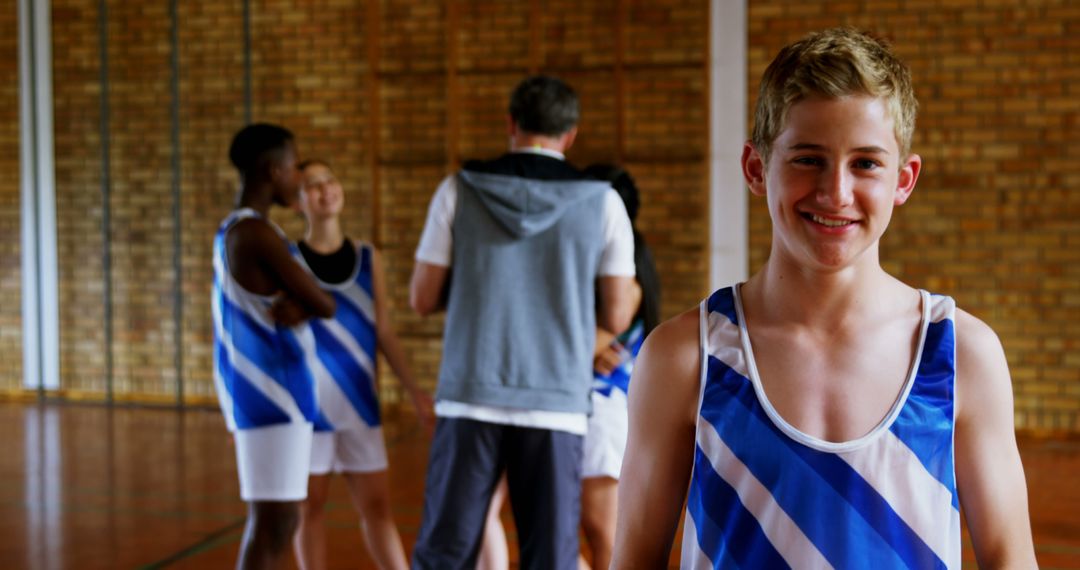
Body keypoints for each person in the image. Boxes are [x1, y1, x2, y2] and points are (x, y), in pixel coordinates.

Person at [611, 28, 1038, 569]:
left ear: (904, 179)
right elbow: (634, 559)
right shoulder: (685, 357)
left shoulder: (960, 355)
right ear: (755, 167)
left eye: (865, 163)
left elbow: (1010, 558)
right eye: (808, 159)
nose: (836, 192)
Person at [409, 75, 640, 569]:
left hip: (471, 393)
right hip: (555, 401)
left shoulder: (458, 189)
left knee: (444, 553)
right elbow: (619, 313)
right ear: (571, 135)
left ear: (511, 123)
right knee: (550, 558)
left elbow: (422, 297)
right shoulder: (604, 202)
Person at [475, 164, 662, 570]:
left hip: (596, 408)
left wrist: (577, 352)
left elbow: (574, 348)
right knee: (556, 534)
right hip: (566, 406)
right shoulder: (596, 255)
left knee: (602, 534)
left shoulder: (617, 267)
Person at [290, 159, 435, 570]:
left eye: (329, 180)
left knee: (378, 509)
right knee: (309, 510)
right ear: (299, 201)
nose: (324, 189)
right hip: (309, 407)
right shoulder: (289, 259)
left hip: (359, 405)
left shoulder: (370, 258)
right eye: (312, 185)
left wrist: (414, 390)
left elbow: (384, 331)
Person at [213, 123, 335, 570]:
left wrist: (302, 305)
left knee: (279, 519)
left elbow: (307, 302)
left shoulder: (242, 229)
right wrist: (307, 304)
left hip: (272, 392)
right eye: (291, 167)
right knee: (276, 521)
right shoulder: (255, 234)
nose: (296, 179)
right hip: (270, 393)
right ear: (271, 170)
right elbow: (325, 302)